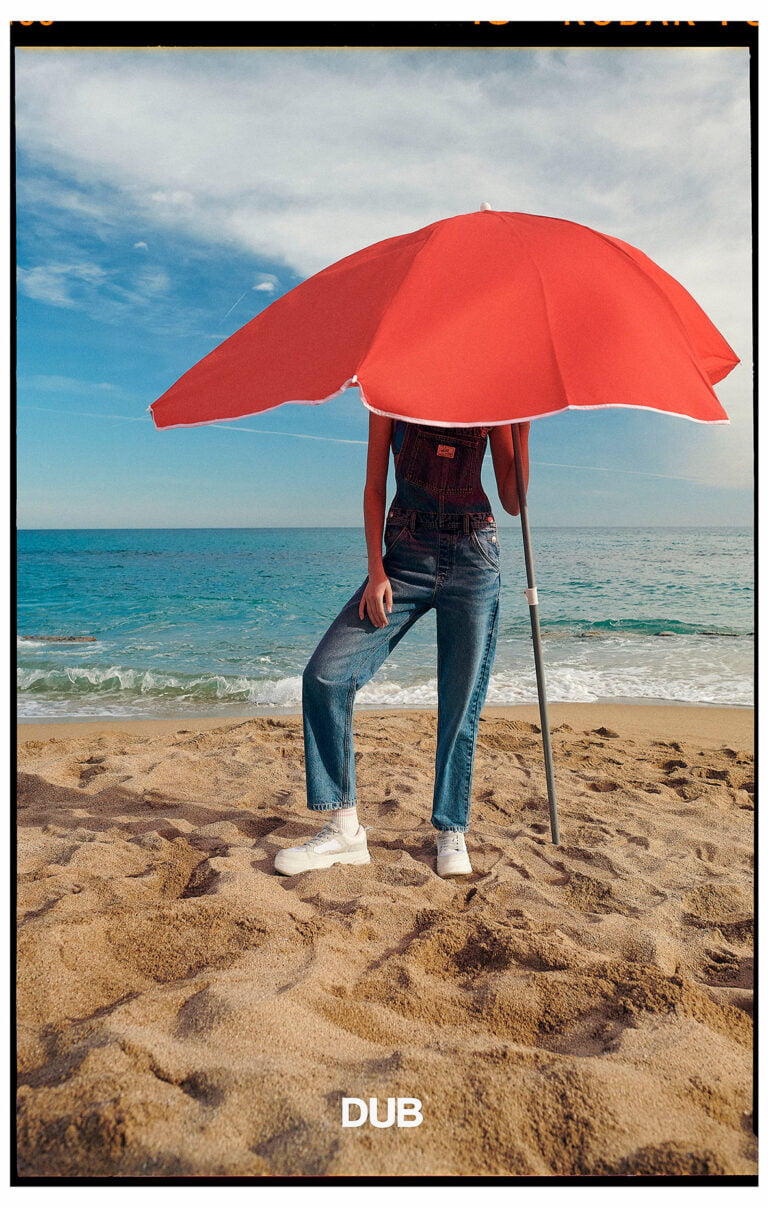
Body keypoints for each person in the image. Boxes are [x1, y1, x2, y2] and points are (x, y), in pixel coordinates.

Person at [274, 414, 530, 878]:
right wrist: (376, 570)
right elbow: (374, 486)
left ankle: (451, 828)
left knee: (460, 701)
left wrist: (522, 429)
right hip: (405, 554)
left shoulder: (495, 396)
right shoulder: (389, 391)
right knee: (326, 676)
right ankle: (345, 828)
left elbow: (514, 501)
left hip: (474, 553)